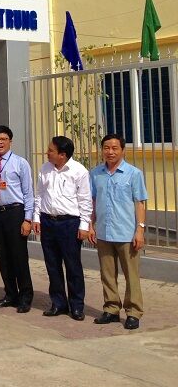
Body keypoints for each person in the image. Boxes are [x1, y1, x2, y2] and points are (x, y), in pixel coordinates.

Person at [88, 133, 148, 330]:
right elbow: (93, 201)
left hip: (126, 233)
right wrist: (91, 225)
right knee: (107, 274)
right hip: (104, 232)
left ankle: (133, 312)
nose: (110, 152)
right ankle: (111, 309)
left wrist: (140, 230)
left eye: (114, 148)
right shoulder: (96, 174)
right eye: (106, 148)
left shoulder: (133, 174)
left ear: (123, 150)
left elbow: (140, 203)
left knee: (132, 275)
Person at [33, 136, 92, 321]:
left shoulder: (79, 171)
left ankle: (77, 306)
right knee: (52, 265)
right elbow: (39, 195)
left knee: (73, 266)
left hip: (69, 223)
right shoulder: (45, 168)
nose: (47, 153)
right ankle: (58, 303)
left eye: (51, 150)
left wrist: (84, 225)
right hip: (48, 221)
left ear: (62, 154)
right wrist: (36, 217)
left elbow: (85, 200)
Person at [0, 125, 34, 314]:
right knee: (3, 257)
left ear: (10, 141)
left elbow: (28, 193)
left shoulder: (20, 163)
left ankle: (25, 296)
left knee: (19, 257)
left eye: (3, 139)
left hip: (15, 213)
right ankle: (10, 294)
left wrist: (28, 219)